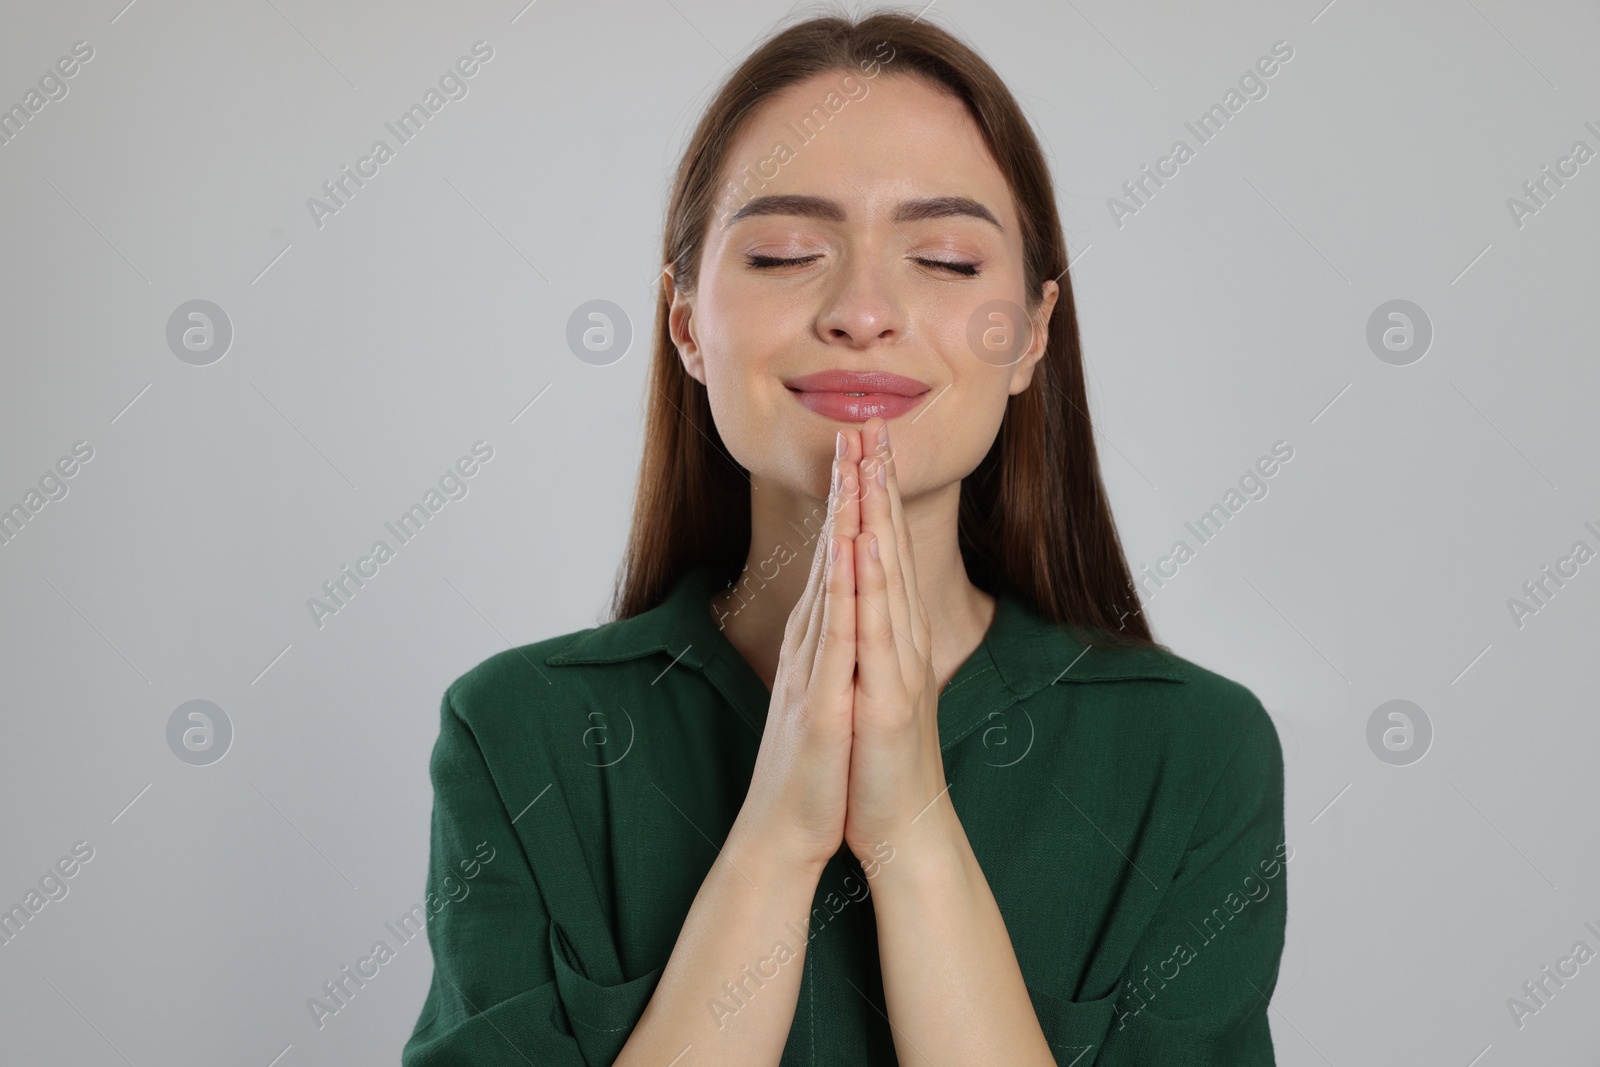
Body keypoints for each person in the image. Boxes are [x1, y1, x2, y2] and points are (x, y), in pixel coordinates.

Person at [402, 9, 1286, 1066]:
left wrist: (912, 832)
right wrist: (776, 838)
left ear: (1031, 335)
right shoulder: (521, 733)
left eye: (946, 260)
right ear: (687, 323)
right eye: (783, 252)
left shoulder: (1190, 752)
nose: (863, 311)